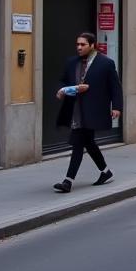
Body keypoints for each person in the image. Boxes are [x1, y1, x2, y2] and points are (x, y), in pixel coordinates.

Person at [52, 32, 123, 194]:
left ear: (92, 45)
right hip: (75, 110)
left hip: (93, 110)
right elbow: (63, 81)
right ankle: (105, 171)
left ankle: (68, 181)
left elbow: (115, 87)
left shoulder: (106, 63)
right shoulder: (71, 62)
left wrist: (117, 107)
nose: (79, 47)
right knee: (88, 143)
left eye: (83, 44)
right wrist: (63, 90)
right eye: (77, 44)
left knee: (78, 143)